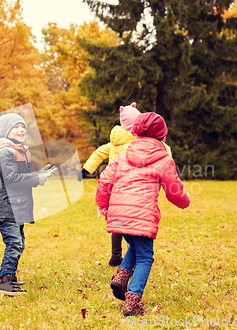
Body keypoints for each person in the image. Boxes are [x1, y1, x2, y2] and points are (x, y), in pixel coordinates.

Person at [95, 112, 190, 316]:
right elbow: (175, 193)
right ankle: (133, 300)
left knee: (135, 246)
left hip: (119, 215)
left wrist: (103, 205)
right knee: (146, 256)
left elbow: (104, 181)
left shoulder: (122, 155)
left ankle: (121, 278)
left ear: (135, 132)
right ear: (162, 137)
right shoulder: (163, 159)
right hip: (141, 216)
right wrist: (186, 200)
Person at [78, 102, 173, 267]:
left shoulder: (113, 143)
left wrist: (87, 169)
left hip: (115, 186)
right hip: (136, 185)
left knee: (117, 219)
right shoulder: (139, 142)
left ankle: (116, 255)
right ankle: (133, 254)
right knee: (134, 218)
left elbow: (98, 153)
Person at [0, 113, 56, 296]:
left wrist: (38, 174)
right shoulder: (5, 152)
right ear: (5, 131)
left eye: (22, 126)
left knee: (19, 242)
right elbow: (11, 179)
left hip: (14, 205)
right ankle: (6, 283)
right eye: (15, 127)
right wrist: (36, 178)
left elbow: (18, 176)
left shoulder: (15, 150)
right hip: (6, 205)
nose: (21, 130)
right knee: (14, 242)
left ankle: (4, 275)